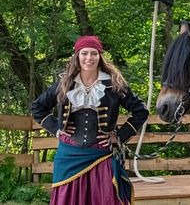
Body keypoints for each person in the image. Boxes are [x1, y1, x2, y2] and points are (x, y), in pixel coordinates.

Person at [31, 35, 149, 204]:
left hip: (101, 153)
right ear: (77, 56)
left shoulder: (113, 84)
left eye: (94, 53)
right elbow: (37, 107)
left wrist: (119, 136)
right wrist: (57, 129)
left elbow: (140, 111)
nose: (89, 58)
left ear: (100, 56)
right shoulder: (64, 83)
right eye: (84, 53)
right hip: (69, 154)